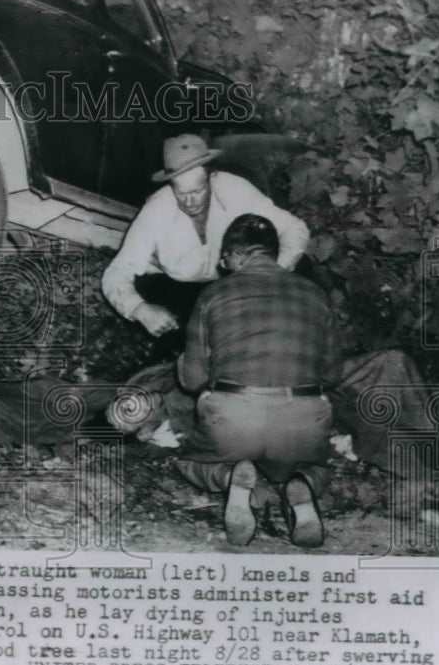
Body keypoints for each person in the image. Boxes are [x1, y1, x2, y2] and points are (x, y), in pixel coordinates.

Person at [173, 214, 340, 548]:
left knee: (188, 460)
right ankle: (303, 482)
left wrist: (184, 363)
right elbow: (333, 375)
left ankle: (229, 476)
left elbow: (193, 381)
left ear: (235, 254)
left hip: (234, 419)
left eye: (225, 259)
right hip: (301, 422)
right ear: (273, 252)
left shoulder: (212, 294)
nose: (224, 265)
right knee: (319, 463)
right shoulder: (316, 294)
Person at [102, 134, 310, 348]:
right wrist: (140, 310)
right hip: (181, 291)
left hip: (235, 281)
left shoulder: (235, 188)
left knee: (302, 267)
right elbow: (116, 272)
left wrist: (274, 271)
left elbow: (294, 228)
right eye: (181, 193)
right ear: (171, 185)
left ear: (211, 177)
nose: (190, 202)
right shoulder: (156, 210)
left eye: (197, 191)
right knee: (186, 335)